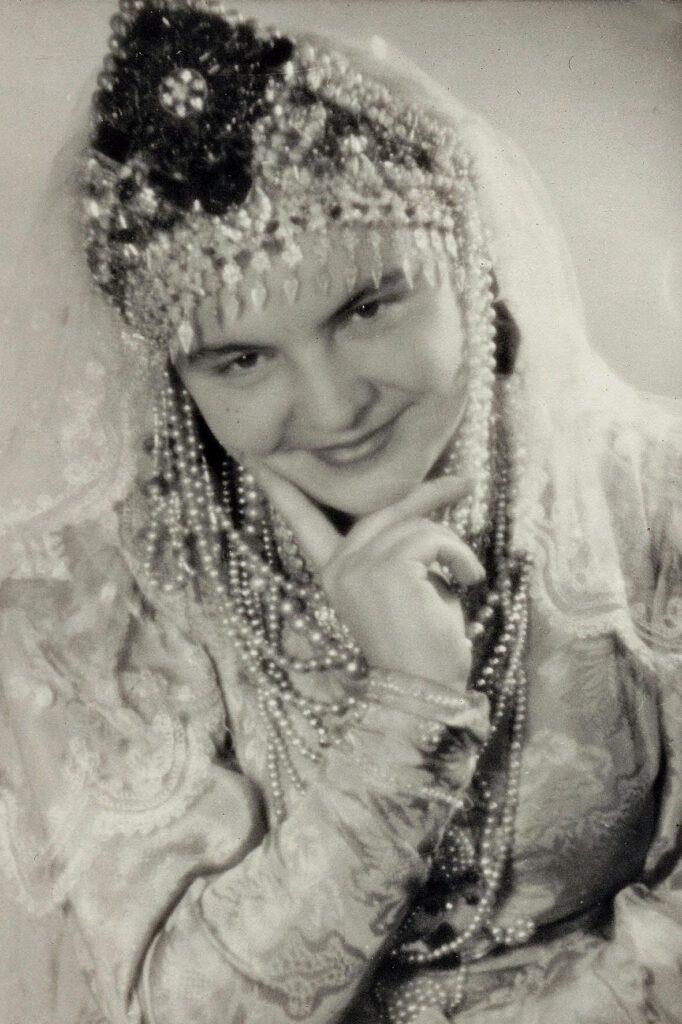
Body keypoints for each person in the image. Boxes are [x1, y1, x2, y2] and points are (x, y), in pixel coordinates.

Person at [0, 2, 680, 1022]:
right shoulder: (92, 605)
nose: (332, 409)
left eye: (367, 308)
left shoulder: (648, 498)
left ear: (468, 258)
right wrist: (403, 710)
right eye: (241, 357)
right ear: (177, 377)